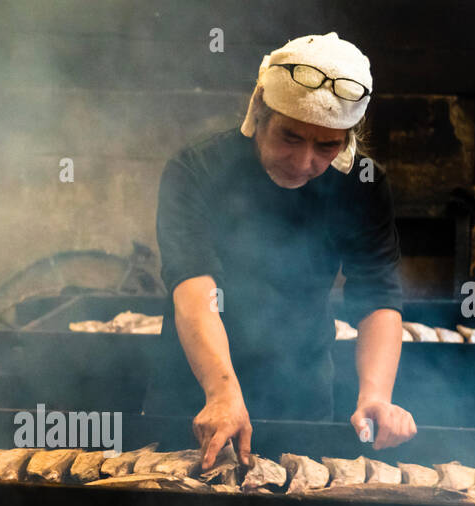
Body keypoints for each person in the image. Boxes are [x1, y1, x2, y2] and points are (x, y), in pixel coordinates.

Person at [155, 32, 415, 468]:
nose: (303, 162)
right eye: (290, 138)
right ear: (258, 110)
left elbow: (378, 295)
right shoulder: (197, 169)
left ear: (348, 140)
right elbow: (194, 283)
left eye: (327, 145)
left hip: (301, 391)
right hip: (195, 391)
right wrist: (221, 394)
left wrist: (376, 395)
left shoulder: (364, 184)